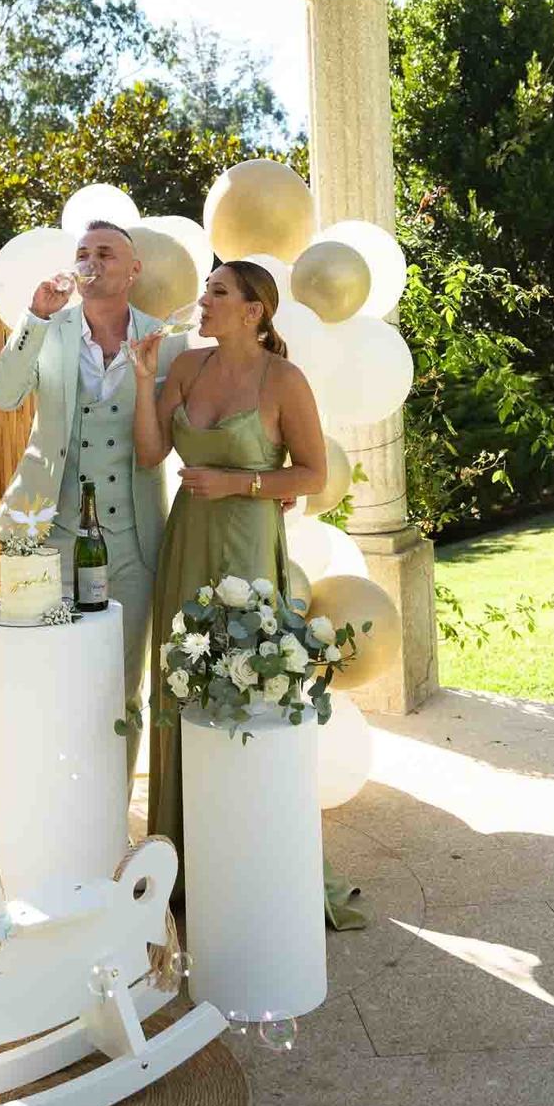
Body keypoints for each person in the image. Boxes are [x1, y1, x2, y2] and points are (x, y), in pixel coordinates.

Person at [130, 258, 365, 930]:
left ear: (253, 311)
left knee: (241, 687)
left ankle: (247, 852)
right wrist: (145, 380)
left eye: (218, 292)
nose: (203, 301)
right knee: (179, 685)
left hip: (247, 546)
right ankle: (184, 858)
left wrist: (240, 484)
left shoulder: (283, 379)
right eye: (205, 290)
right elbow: (150, 453)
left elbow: (314, 476)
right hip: (188, 541)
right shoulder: (186, 367)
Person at [0, 221, 186, 784]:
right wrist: (35, 316)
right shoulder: (48, 327)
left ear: (133, 270)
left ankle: (109, 819)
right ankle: (55, 810)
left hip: (133, 539)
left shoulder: (166, 340)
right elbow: (2, 396)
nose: (91, 261)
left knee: (121, 688)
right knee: (48, 681)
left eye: (105, 252)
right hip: (49, 537)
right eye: (83, 253)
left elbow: (185, 430)